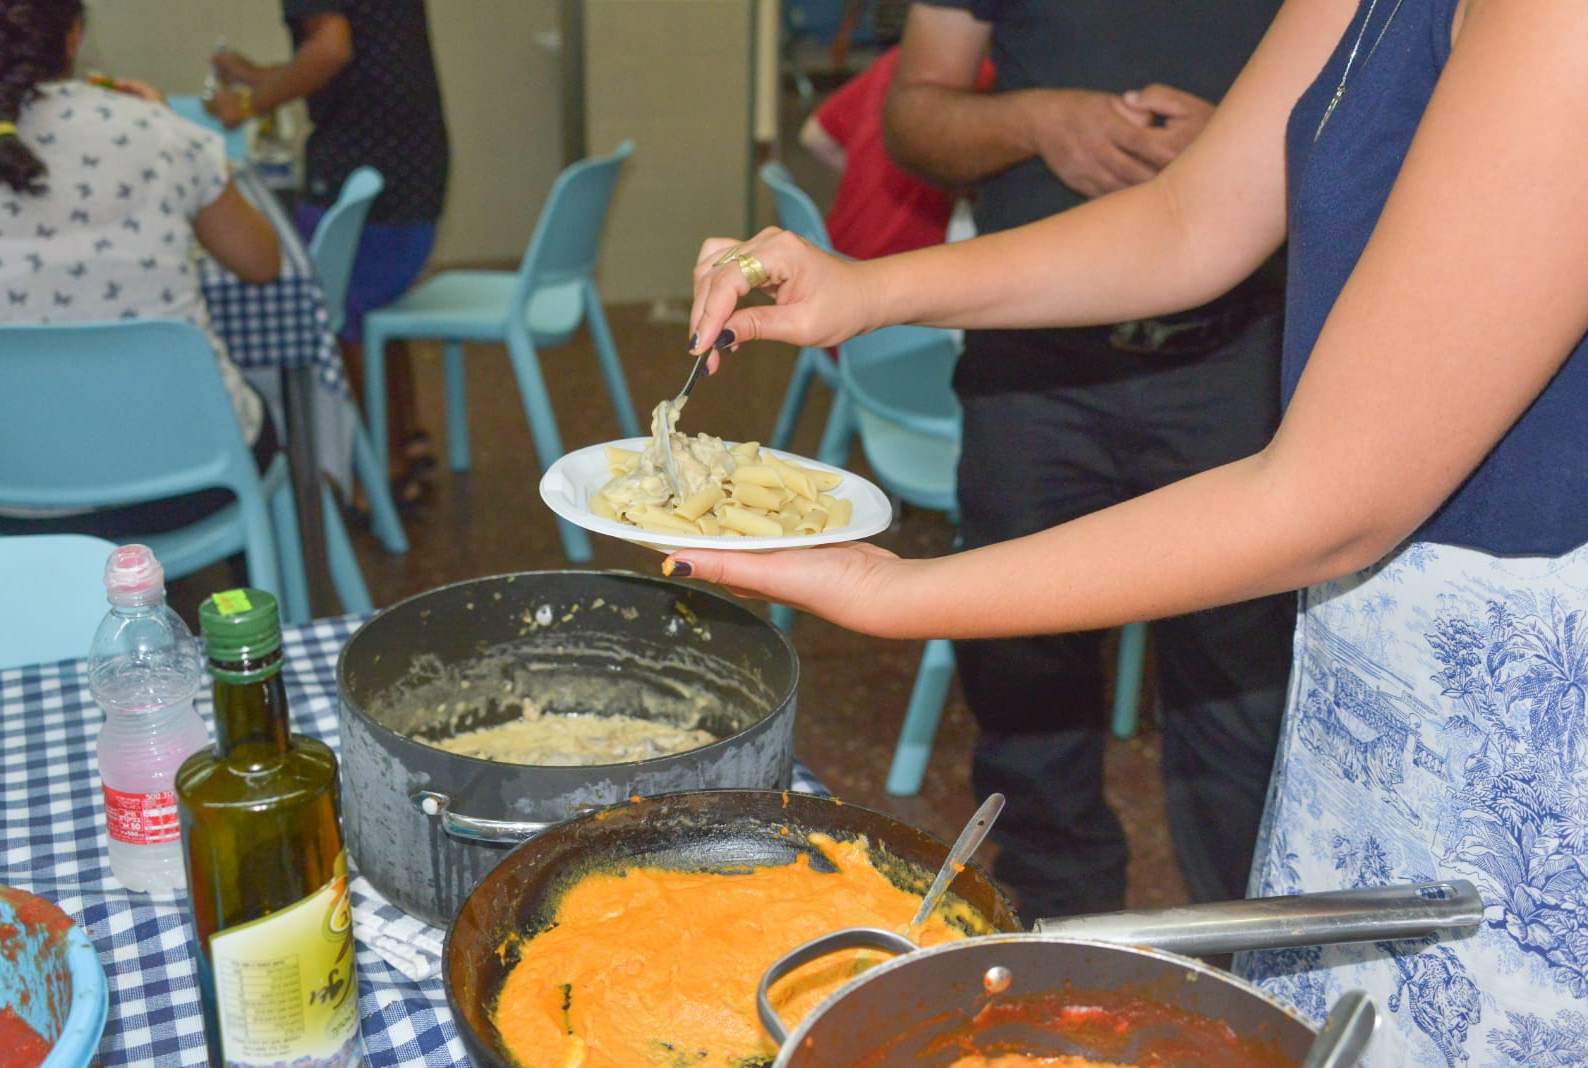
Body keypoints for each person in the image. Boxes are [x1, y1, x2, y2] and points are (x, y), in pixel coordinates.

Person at [677, 0, 1588, 1059]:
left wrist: (894, 591)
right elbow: (1190, 223)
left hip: (1517, 700)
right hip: (1372, 644)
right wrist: (867, 290)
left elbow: (1327, 500)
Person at [849, 0, 1296, 923]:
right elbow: (912, 116)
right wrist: (1036, 120)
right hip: (1032, 370)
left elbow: (1393, 121)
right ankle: (1050, 964)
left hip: (1236, 356)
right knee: (1022, 685)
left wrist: (1255, 154)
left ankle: (1260, 967)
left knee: (1243, 700)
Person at [0, 0, 282, 538]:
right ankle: (243, 606)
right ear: (73, 37)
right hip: (191, 482)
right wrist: (167, 125)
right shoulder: (156, 130)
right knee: (255, 408)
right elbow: (262, 263)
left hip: (9, 496)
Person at [208, 0, 450, 513]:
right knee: (375, 307)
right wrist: (256, 76)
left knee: (346, 317)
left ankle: (379, 471)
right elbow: (357, 58)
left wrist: (251, 104)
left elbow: (331, 49)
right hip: (411, 156)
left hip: (366, 155)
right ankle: (404, 438)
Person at [798, 45, 991, 261]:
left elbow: (814, 136)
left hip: (836, 249)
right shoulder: (980, 74)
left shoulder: (900, 59)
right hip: (898, 264)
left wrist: (866, 173)